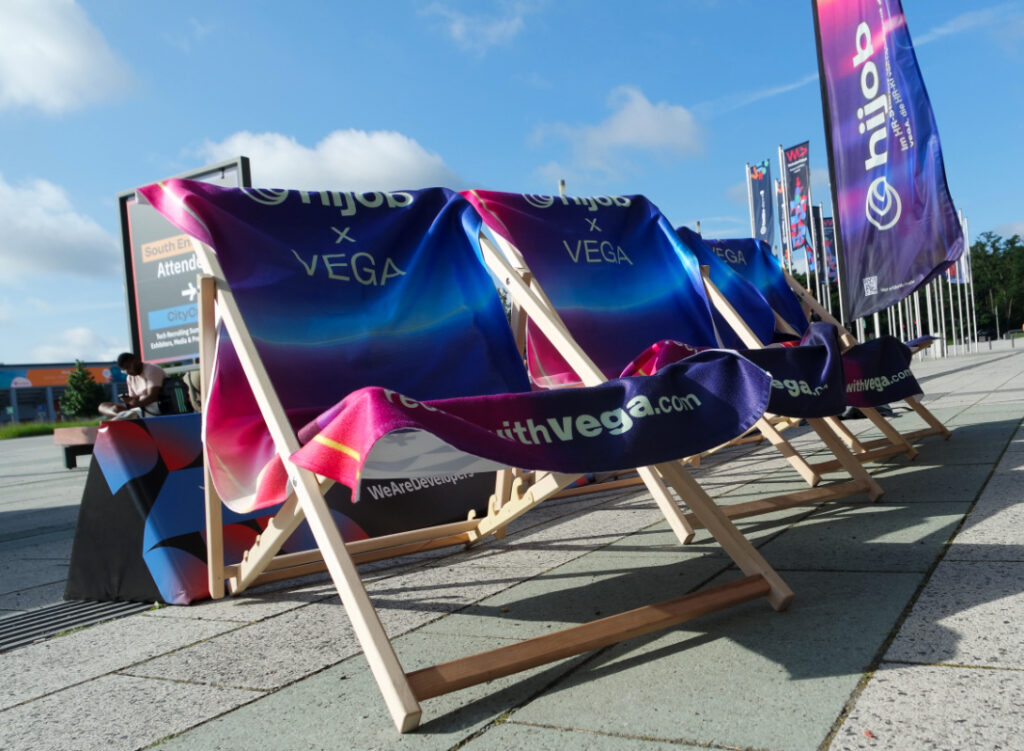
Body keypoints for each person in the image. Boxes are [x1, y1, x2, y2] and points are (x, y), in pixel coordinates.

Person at [99, 352, 165, 418]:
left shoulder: (151, 369)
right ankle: (124, 416)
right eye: (125, 370)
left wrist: (130, 405)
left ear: (136, 361)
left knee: (118, 409)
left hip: (155, 406)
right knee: (103, 406)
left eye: (128, 367)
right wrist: (128, 400)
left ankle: (125, 416)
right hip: (138, 407)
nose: (128, 372)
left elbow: (152, 397)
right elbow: (134, 400)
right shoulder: (130, 377)